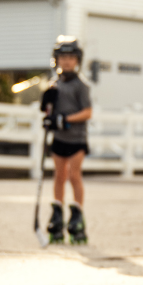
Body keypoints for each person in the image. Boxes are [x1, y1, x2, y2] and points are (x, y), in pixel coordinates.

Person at [40, 36, 93, 245]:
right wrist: (49, 117)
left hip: (76, 138)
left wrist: (65, 119)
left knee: (74, 175)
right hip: (59, 138)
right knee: (59, 175)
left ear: (77, 60)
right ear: (57, 60)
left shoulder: (81, 86)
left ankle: (77, 213)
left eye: (71, 58)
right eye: (63, 58)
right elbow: (49, 110)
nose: (67, 62)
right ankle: (57, 212)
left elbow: (88, 112)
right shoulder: (54, 85)